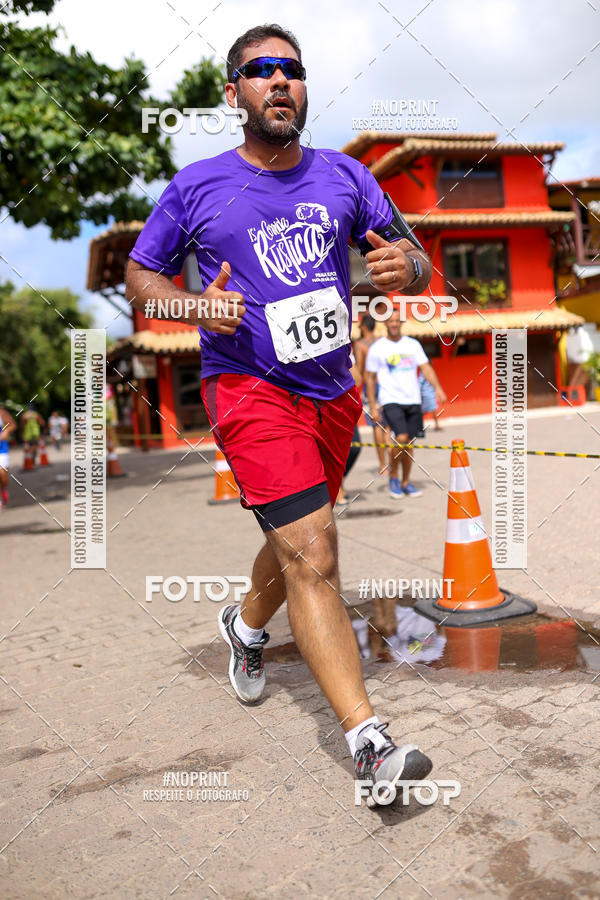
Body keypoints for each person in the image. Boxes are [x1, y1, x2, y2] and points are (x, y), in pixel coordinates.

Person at [125, 23, 434, 806]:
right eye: (260, 71)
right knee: (315, 551)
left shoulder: (347, 175)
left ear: (304, 87)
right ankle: (368, 743)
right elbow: (140, 275)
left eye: (292, 70)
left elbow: (410, 251)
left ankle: (245, 627)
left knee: (303, 543)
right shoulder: (196, 186)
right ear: (234, 94)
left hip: (333, 393)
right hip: (250, 388)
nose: (279, 81)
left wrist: (410, 263)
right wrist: (197, 302)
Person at [365, 308, 446, 498]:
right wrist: (372, 405)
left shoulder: (413, 345)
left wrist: (438, 388)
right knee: (400, 438)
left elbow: (425, 368)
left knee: (409, 444)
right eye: (390, 321)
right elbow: (369, 377)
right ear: (385, 323)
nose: (394, 324)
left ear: (401, 323)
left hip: (413, 400)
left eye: (397, 321)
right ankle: (393, 476)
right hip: (390, 399)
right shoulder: (377, 348)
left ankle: (406, 481)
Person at [354, 313, 390, 473]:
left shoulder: (360, 345)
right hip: (386, 384)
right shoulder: (382, 342)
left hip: (371, 387)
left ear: (363, 327)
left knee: (376, 424)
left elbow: (360, 372)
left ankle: (383, 465)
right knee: (387, 425)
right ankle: (391, 458)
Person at [0, 407, 16, 508]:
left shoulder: (1, 412)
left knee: (2, 475)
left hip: (2, 449)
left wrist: (6, 431)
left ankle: (3, 489)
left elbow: (13, 425)